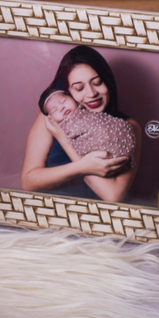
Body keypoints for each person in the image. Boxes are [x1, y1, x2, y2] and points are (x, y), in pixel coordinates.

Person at [21, 46, 142, 203]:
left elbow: (113, 195)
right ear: (67, 91)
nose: (91, 94)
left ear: (108, 82)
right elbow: (28, 182)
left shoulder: (129, 127)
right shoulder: (52, 118)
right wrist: (82, 166)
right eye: (79, 88)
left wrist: (64, 139)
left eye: (97, 83)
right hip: (52, 210)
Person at [38, 88, 136, 172]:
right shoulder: (61, 126)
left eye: (63, 101)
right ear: (50, 118)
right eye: (55, 110)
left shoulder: (85, 109)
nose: (62, 108)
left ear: (73, 98)